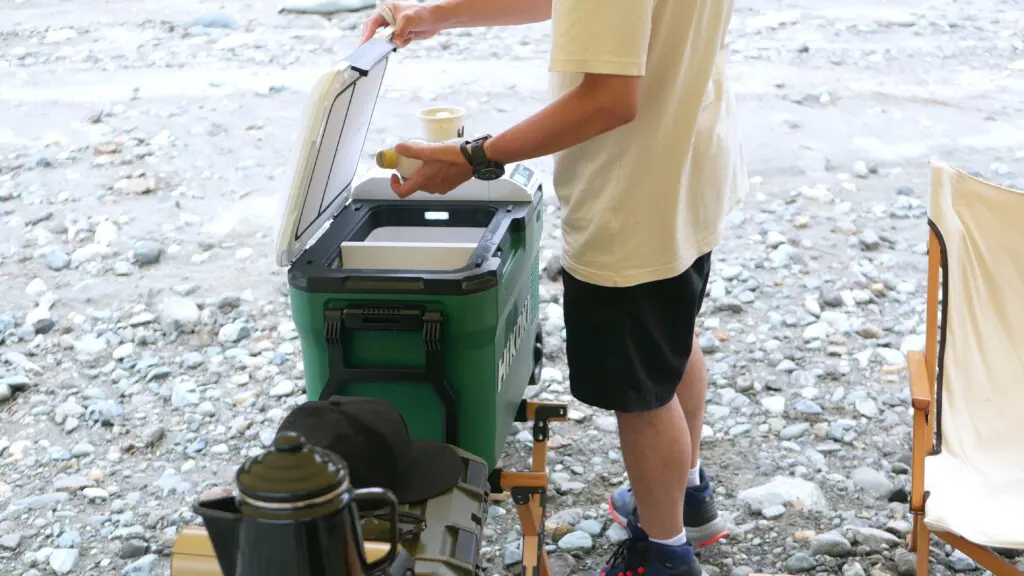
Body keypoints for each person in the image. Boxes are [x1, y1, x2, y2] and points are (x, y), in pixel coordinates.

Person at [361, 0, 746, 574]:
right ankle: (684, 494)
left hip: (632, 188)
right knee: (669, 335)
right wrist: (439, 14)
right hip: (688, 149)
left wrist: (475, 157)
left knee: (641, 392)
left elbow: (610, 99)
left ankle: (664, 553)